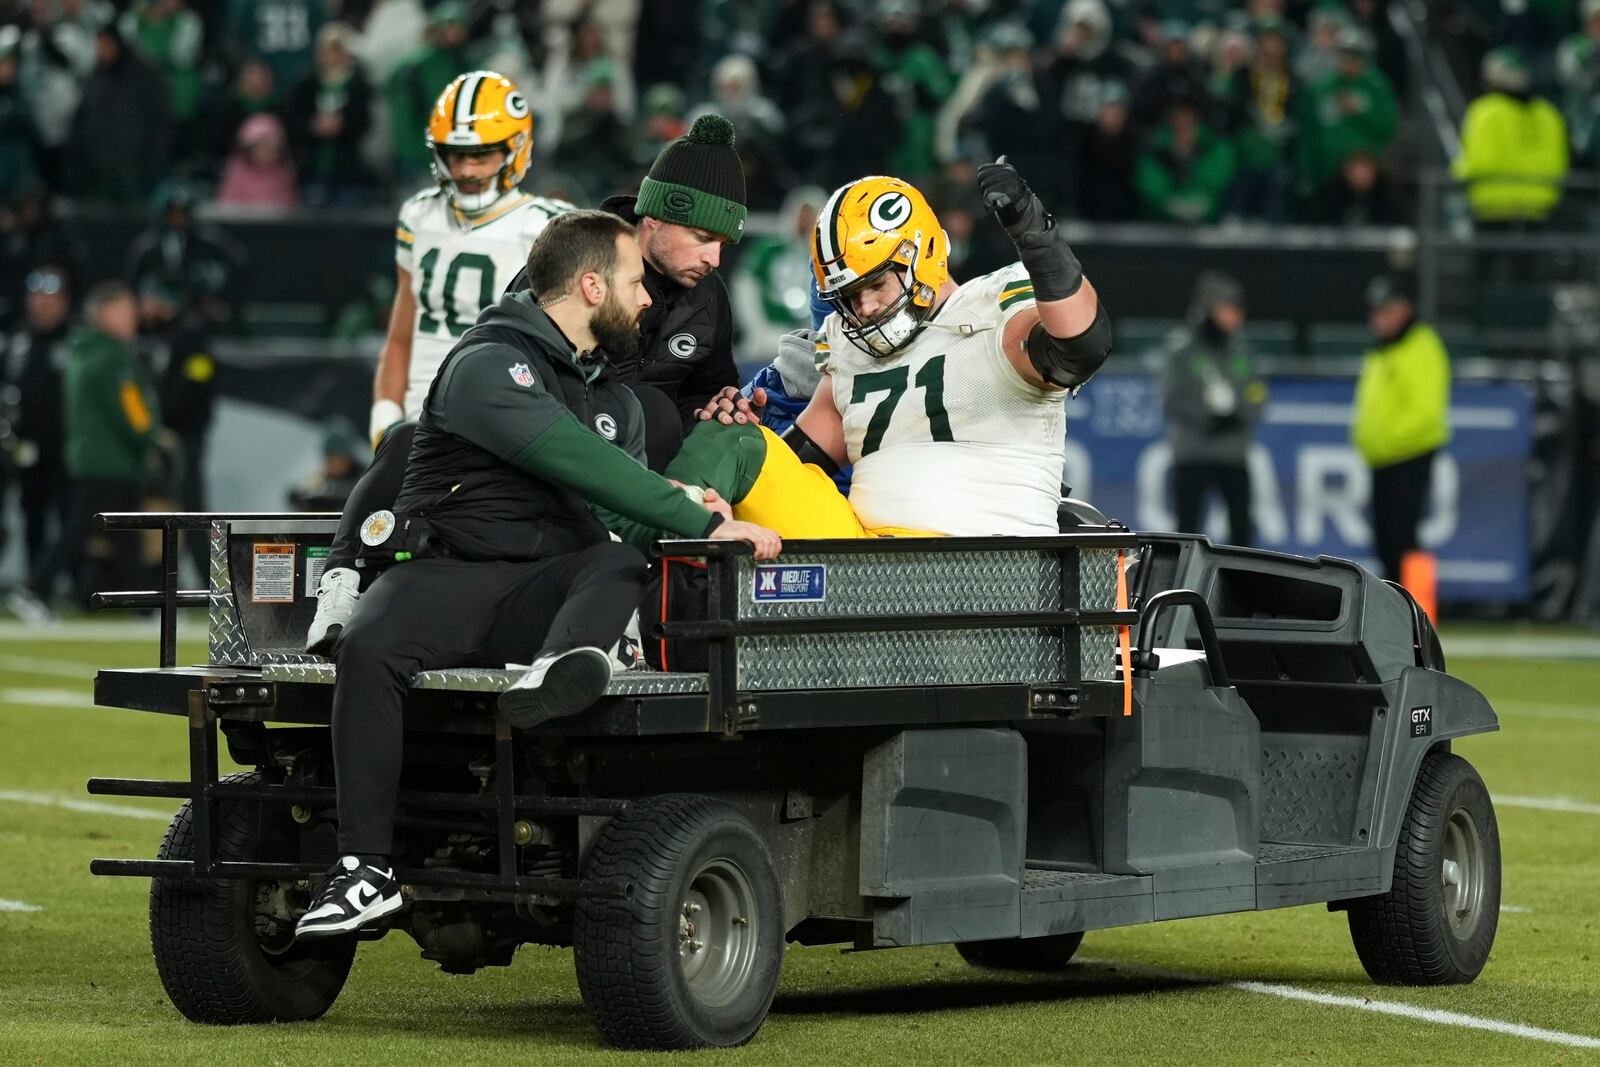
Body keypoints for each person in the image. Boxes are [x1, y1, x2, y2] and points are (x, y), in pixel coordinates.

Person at [293, 211, 779, 940]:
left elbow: (623, 516)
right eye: (631, 283)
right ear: (590, 286)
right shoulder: (489, 361)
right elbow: (581, 463)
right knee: (368, 648)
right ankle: (365, 870)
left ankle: (558, 667)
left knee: (616, 557)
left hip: (542, 590)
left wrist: (693, 508)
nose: (645, 300)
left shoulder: (615, 398)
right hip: (449, 576)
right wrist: (706, 523)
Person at [305, 112, 750, 655]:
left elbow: (708, 388)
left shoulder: (710, 297)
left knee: (658, 413)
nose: (715, 258)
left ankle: (620, 598)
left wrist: (723, 406)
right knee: (407, 437)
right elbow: (516, 357)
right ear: (651, 220)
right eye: (703, 237)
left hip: (631, 468)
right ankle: (342, 581)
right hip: (545, 442)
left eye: (724, 243)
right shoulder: (576, 250)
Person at [667, 161, 1112, 540]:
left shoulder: (993, 304)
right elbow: (797, 459)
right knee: (733, 441)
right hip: (868, 567)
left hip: (989, 563)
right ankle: (653, 548)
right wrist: (740, 447)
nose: (866, 307)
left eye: (876, 284)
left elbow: (1079, 347)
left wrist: (1038, 238)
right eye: (850, 296)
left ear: (925, 252)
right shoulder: (846, 342)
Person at [35, 282, 163, 607]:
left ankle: (143, 607)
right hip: (112, 461)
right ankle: (35, 590)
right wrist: (150, 440)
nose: (134, 318)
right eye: (125, 311)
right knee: (82, 531)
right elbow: (131, 415)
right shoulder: (113, 358)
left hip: (92, 458)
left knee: (122, 536)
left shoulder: (83, 350)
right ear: (106, 315)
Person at [1351, 275, 1450, 583]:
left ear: (1404, 309)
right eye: (1375, 311)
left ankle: (1418, 608)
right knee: (1385, 541)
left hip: (1409, 453)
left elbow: (1426, 411)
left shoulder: (1421, 346)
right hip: (1383, 457)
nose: (1378, 318)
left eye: (1385, 310)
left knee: (1403, 537)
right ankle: (1396, 613)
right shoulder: (1384, 350)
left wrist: (1386, 440)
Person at [1161, 271, 1265, 547]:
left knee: (1242, 529)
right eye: (1227, 309)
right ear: (1209, 310)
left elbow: (1258, 396)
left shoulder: (1242, 352)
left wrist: (1238, 416)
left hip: (1233, 455)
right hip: (1193, 454)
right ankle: (1182, 586)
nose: (1235, 316)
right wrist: (1207, 419)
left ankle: (1242, 584)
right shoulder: (1181, 351)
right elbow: (1171, 399)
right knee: (1187, 529)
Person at [2, 264, 72, 624]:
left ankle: (71, 589)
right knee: (32, 520)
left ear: (64, 302)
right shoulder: (17, 341)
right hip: (26, 450)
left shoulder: (75, 340)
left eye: (51, 298)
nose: (43, 305)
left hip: (66, 449)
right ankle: (34, 587)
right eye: (38, 298)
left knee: (70, 520)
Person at [1453, 48, 1568, 227]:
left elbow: (1477, 161)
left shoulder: (1485, 111)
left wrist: (1458, 174)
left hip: (1492, 208)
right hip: (1539, 209)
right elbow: (1559, 162)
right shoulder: (1548, 112)